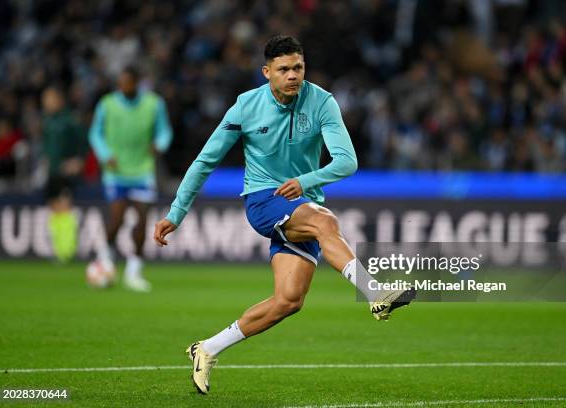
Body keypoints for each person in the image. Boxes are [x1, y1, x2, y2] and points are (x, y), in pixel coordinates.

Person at [153, 35, 414, 395]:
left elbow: (348, 162)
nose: (293, 75)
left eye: (298, 68)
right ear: (267, 72)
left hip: (301, 202)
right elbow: (204, 162)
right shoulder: (245, 107)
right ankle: (376, 294)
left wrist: (305, 180)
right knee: (325, 222)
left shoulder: (322, 102)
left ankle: (207, 348)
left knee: (288, 301)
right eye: (284, 69)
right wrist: (176, 212)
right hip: (263, 200)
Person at [89, 66, 173, 292]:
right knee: (116, 219)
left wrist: (159, 144)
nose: (124, 86)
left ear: (137, 83)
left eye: (128, 82)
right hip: (116, 172)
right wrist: (105, 155)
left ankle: (133, 271)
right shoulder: (107, 104)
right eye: (121, 82)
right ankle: (105, 257)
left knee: (143, 219)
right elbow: (95, 133)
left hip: (142, 171)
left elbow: (165, 131)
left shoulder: (154, 104)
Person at [41, 86, 87, 262]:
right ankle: (59, 250)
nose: (46, 103)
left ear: (59, 100)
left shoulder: (70, 119)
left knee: (65, 208)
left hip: (66, 172)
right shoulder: (47, 120)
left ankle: (68, 251)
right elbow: (46, 145)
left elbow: (83, 142)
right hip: (52, 171)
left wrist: (78, 161)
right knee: (54, 208)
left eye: (50, 99)